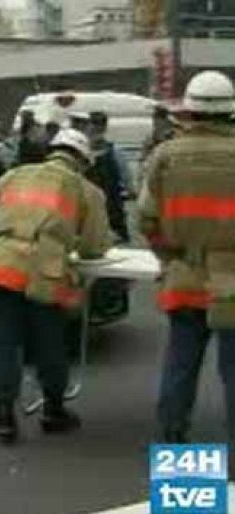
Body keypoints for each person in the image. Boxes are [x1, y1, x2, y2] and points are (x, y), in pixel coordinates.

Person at [0, 128, 111, 445]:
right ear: (82, 161)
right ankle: (53, 411)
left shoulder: (13, 175)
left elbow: (6, 211)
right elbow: (93, 246)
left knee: (3, 343)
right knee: (50, 343)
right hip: (43, 270)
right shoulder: (85, 189)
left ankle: (4, 420)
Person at [138, 70, 235, 446]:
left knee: (181, 365)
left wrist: (169, 255)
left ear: (189, 113)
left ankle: (176, 445)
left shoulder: (165, 155)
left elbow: (146, 218)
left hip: (185, 276)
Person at [87, 111, 130, 242]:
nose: (96, 128)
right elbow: (126, 179)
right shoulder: (83, 151)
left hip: (110, 209)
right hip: (93, 208)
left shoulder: (114, 151)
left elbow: (126, 178)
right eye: (95, 124)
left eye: (99, 124)